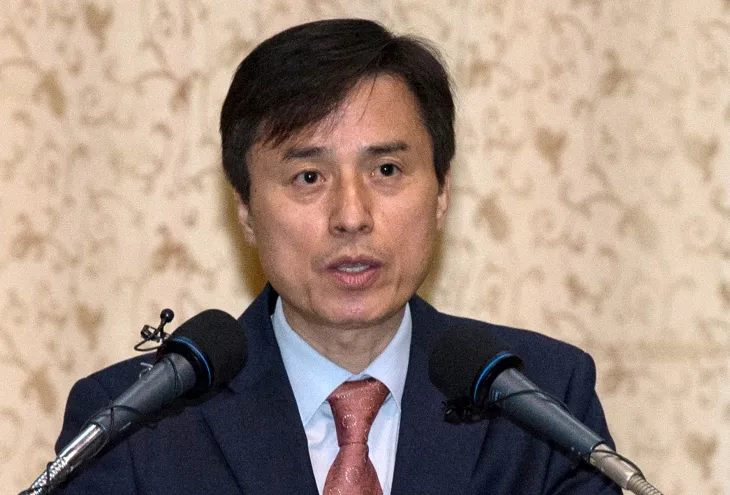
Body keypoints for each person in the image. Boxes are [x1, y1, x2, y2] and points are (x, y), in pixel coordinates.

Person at [52, 19, 621, 494]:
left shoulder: (540, 401)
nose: (351, 215)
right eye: (308, 177)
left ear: (442, 193)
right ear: (245, 208)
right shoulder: (134, 426)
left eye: (386, 170)